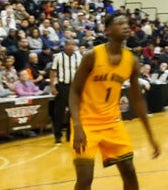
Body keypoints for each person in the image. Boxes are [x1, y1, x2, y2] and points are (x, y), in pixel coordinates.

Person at [70, 14, 160, 190]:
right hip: (86, 123)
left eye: (127, 23)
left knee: (129, 171)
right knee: (85, 178)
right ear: (108, 30)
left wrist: (151, 137)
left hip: (112, 123)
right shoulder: (92, 56)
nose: (126, 26)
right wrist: (77, 126)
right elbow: (74, 91)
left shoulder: (131, 60)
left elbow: (137, 100)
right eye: (120, 23)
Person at [51, 39, 83, 144]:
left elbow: (82, 71)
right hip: (62, 86)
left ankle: (71, 135)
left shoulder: (79, 56)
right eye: (69, 44)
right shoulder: (58, 57)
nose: (71, 46)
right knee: (59, 112)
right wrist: (52, 86)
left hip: (74, 86)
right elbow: (53, 71)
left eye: (73, 44)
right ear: (65, 46)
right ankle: (57, 135)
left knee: (74, 112)